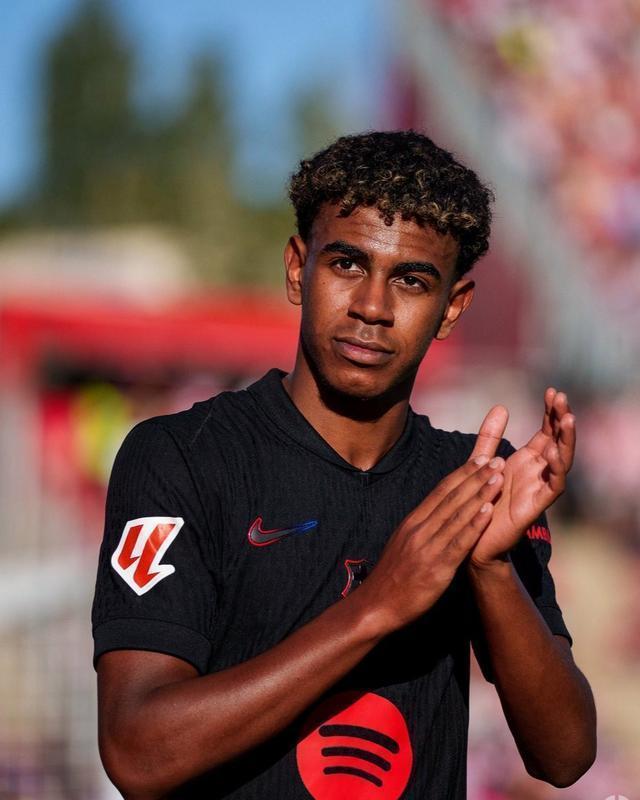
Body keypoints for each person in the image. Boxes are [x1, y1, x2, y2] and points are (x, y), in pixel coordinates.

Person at [92, 131, 596, 799]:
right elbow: (136, 753)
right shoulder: (182, 457)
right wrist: (378, 606)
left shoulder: (476, 481)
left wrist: (491, 568)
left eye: (411, 280)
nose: (372, 307)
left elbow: (565, 756)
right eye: (348, 264)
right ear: (297, 268)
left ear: (452, 308)